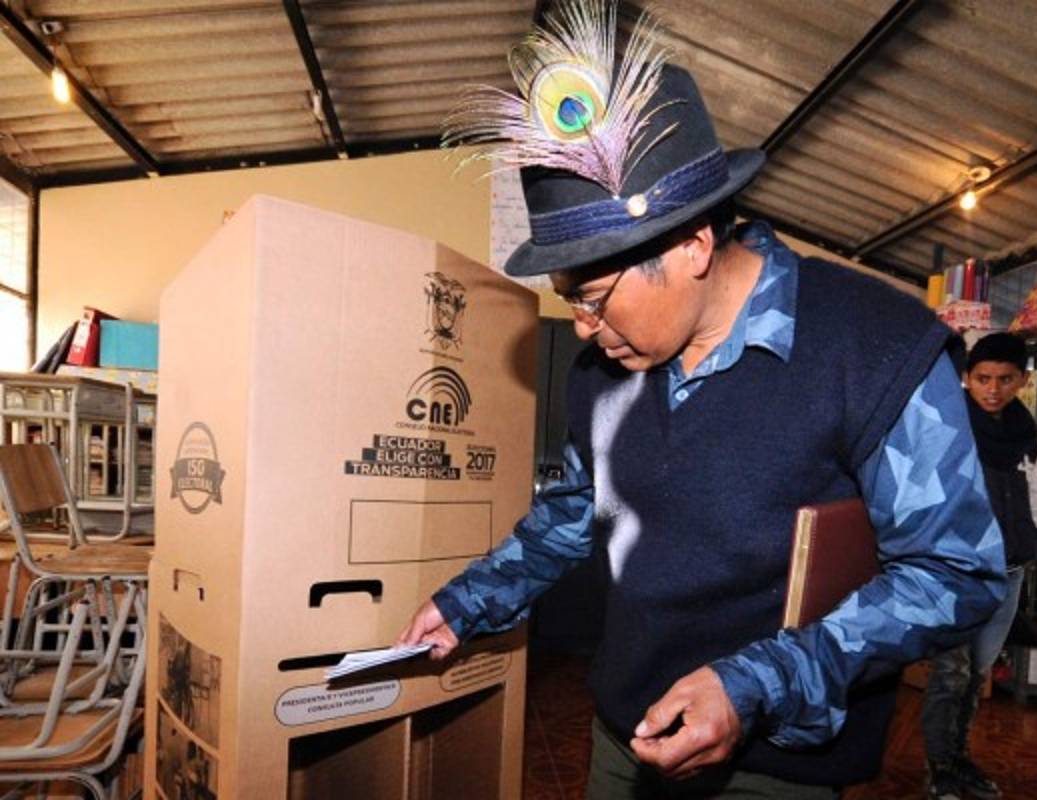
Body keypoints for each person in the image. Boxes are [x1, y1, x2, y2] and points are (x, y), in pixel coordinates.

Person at [399, 1, 1006, 797]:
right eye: (567, 299)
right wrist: (470, 601)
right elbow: (574, 513)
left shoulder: (874, 346)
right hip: (624, 732)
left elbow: (956, 572)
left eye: (594, 296)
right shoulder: (601, 375)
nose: (581, 329)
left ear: (691, 246)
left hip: (775, 764)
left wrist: (756, 683)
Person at [921, 332, 1037, 800]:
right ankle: (939, 772)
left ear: (1023, 380)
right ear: (967, 378)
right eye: (982, 378)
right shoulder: (948, 424)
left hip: (1009, 571)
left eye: (1005, 379)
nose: (993, 388)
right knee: (950, 673)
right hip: (955, 572)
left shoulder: (1025, 430)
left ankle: (959, 762)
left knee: (976, 675)